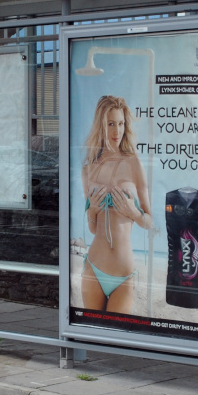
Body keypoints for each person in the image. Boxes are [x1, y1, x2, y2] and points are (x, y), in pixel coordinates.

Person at [79, 95, 151, 313]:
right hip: (93, 268)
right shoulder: (88, 169)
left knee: (117, 336)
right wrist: (92, 210)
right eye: (111, 124)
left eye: (120, 124)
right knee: (93, 336)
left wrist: (135, 214)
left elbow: (149, 222)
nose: (117, 131)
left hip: (124, 274)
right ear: (101, 126)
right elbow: (93, 228)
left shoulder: (134, 163)